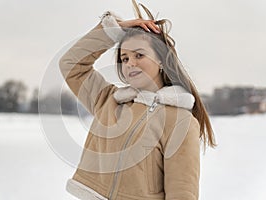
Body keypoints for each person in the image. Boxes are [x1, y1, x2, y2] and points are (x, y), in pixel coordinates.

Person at [59, 1, 216, 199]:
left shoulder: (181, 122)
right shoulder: (108, 101)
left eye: (139, 55)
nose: (130, 63)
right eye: (124, 58)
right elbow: (71, 64)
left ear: (160, 59)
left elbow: (182, 192)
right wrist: (113, 31)